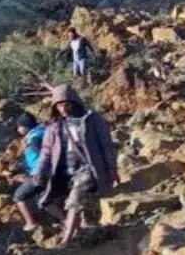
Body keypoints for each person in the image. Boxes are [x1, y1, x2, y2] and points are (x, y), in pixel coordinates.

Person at [30, 85, 118, 246]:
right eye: (59, 105)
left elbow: (107, 146)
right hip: (64, 171)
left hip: (88, 168)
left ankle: (66, 240)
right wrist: (40, 172)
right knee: (81, 205)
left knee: (75, 199)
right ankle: (90, 235)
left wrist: (112, 169)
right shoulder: (54, 125)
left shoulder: (92, 120)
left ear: (74, 102)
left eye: (66, 104)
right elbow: (46, 151)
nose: (63, 108)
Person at [12, 112, 50, 232]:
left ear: (25, 126)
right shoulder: (42, 132)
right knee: (43, 200)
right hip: (50, 171)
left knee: (18, 196)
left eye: (19, 126)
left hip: (40, 173)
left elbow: (40, 154)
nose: (18, 129)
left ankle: (30, 223)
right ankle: (65, 221)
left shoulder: (34, 138)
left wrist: (40, 170)